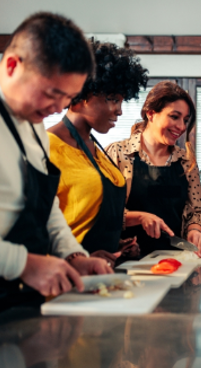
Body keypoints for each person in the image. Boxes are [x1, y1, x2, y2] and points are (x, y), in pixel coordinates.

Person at [0, 12, 111, 332]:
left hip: (25, 299)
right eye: (52, 93)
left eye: (68, 98)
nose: (57, 108)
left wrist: (72, 256)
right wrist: (23, 264)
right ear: (13, 65)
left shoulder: (34, 120)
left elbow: (44, 204)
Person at [47, 41, 148, 265]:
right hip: (65, 280)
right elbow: (35, 227)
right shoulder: (47, 147)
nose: (120, 110)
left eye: (122, 100)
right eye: (113, 99)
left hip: (99, 277)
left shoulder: (97, 149)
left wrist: (114, 247)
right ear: (82, 93)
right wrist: (78, 258)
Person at [107, 81, 201, 257]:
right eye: (174, 116)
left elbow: (197, 210)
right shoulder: (118, 154)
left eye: (185, 120)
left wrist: (195, 230)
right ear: (151, 114)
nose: (182, 127)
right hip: (129, 259)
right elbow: (106, 212)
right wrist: (140, 217)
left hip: (177, 259)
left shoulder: (186, 161)